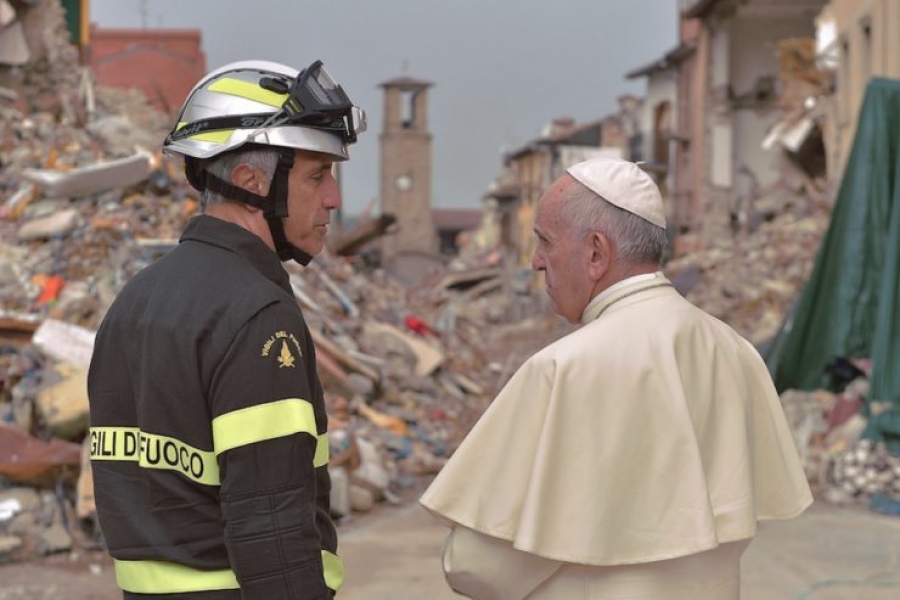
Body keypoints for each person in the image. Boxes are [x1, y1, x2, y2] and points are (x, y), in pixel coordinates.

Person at [419, 158, 813, 600]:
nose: (535, 262)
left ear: (596, 253)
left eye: (545, 242)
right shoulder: (734, 350)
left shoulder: (564, 369)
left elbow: (481, 568)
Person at [87, 58, 366, 599]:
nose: (333, 197)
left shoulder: (135, 301)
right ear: (250, 182)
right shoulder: (258, 318)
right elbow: (273, 530)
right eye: (316, 175)